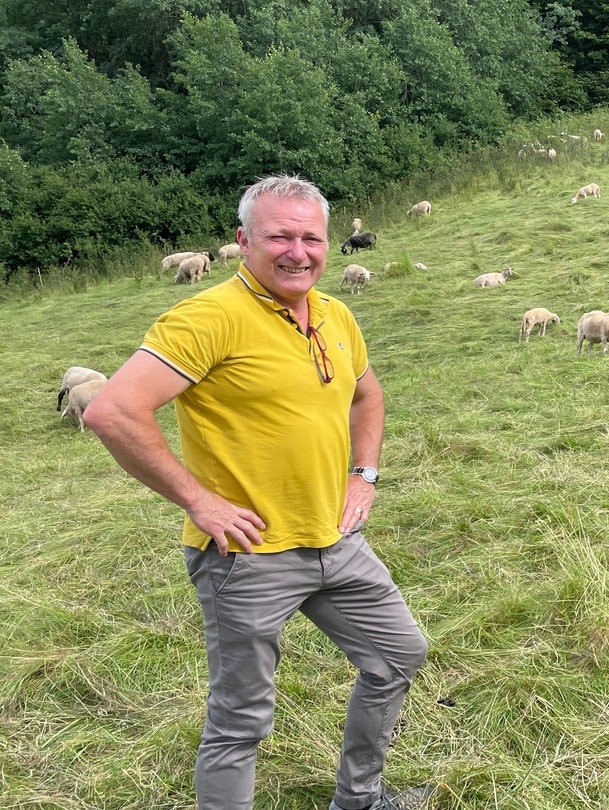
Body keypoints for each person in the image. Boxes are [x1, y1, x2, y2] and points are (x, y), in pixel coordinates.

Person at [85, 174, 427, 810]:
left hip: (336, 538)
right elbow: (111, 411)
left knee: (397, 656)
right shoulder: (208, 317)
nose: (298, 251)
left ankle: (360, 798)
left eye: (311, 238)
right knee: (241, 720)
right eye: (279, 236)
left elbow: (366, 392)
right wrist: (199, 500)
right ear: (243, 241)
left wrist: (365, 473)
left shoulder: (334, 313)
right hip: (246, 556)